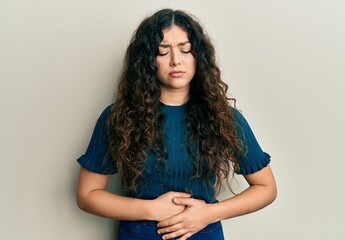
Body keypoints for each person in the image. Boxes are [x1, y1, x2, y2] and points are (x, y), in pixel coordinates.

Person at [76, 8, 277, 240]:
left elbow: (266, 188)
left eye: (185, 49)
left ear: (197, 57)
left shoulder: (225, 117)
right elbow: (87, 194)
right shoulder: (119, 117)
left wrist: (209, 213)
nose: (175, 60)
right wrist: (150, 209)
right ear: (148, 60)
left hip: (203, 233)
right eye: (163, 52)